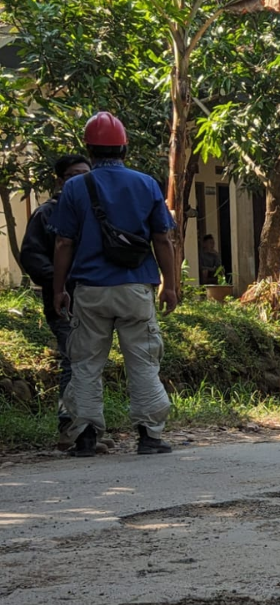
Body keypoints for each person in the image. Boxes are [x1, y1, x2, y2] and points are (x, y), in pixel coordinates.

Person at [51, 111, 178, 457]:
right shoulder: (146, 183)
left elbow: (64, 243)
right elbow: (163, 239)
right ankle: (149, 436)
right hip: (136, 287)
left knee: (86, 363)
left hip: (89, 290)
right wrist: (170, 285)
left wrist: (58, 289)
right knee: (143, 360)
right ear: (125, 148)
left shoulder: (75, 187)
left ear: (89, 150)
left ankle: (86, 437)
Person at [20, 155, 102, 452]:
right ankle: (71, 430)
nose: (79, 181)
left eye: (85, 175)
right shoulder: (47, 214)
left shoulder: (94, 212)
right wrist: (61, 281)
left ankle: (89, 429)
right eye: (72, 176)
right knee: (73, 362)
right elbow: (31, 256)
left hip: (96, 300)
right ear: (60, 180)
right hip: (63, 303)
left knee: (91, 365)